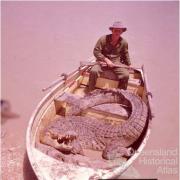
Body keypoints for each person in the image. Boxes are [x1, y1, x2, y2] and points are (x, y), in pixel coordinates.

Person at [88, 21, 131, 91]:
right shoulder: (103, 39)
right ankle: (90, 91)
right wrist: (106, 60)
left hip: (116, 63)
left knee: (125, 75)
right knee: (93, 71)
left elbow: (125, 54)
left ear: (122, 32)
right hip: (102, 62)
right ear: (112, 30)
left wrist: (129, 64)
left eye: (119, 31)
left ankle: (121, 94)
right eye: (115, 30)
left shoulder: (124, 42)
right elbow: (96, 51)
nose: (117, 32)